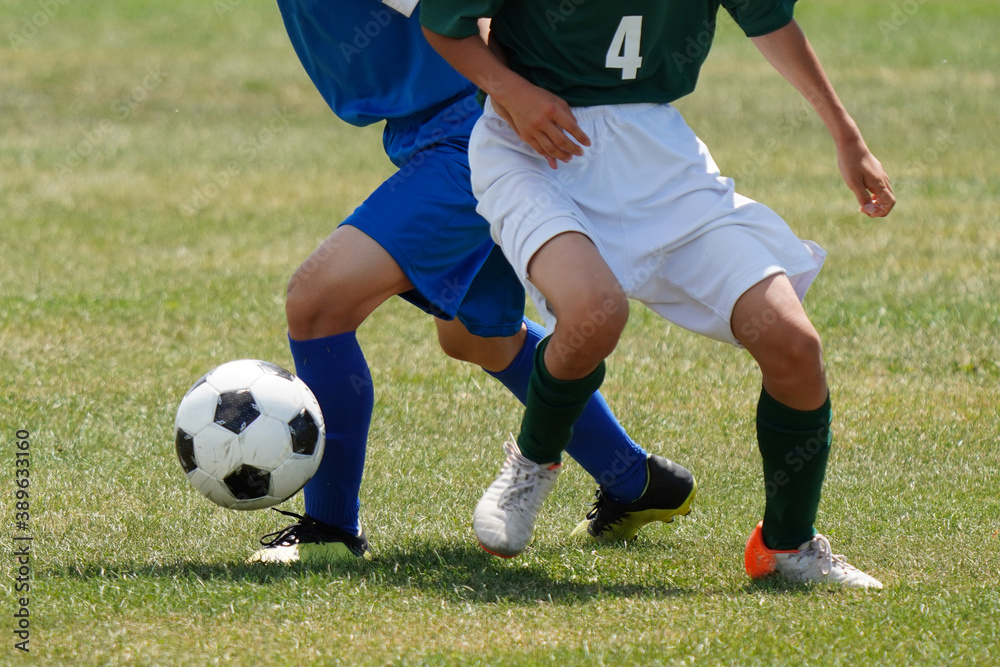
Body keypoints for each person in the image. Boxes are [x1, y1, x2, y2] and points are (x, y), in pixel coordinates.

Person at [421, 1, 894, 586]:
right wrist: (511, 91)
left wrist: (847, 135)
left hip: (658, 152)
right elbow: (444, 19)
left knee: (794, 345)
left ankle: (787, 546)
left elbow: (770, 21)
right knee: (594, 315)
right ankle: (534, 459)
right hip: (536, 146)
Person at [249, 0, 698, 565]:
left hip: (475, 128)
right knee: (479, 338)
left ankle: (330, 531)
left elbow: (464, 12)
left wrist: (511, 95)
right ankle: (637, 480)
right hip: (443, 127)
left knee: (317, 303)